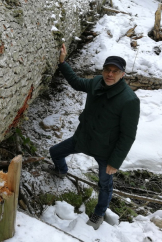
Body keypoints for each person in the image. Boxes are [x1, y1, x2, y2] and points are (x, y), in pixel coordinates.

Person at [48, 43, 140, 230]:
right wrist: (63, 62)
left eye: (115, 71)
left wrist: (115, 162)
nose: (110, 74)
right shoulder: (96, 81)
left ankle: (98, 213)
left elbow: (128, 135)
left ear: (123, 74)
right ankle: (61, 170)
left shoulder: (129, 100)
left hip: (106, 150)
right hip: (84, 138)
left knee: (104, 184)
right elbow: (76, 82)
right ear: (103, 69)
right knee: (55, 152)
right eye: (107, 69)